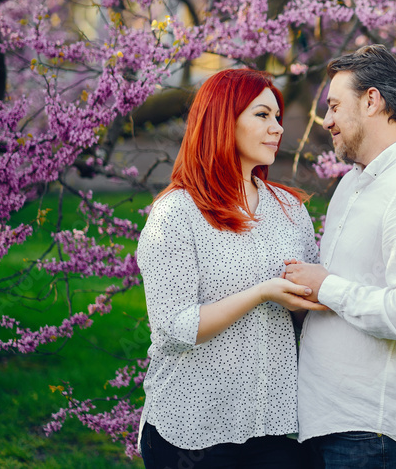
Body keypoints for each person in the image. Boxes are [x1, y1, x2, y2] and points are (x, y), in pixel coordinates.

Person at [284, 45, 396, 469]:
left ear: (371, 100)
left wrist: (326, 285)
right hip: (327, 423)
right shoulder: (353, 183)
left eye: (334, 105)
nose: (325, 120)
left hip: (374, 435)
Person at [136, 68, 324, 469]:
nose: (276, 128)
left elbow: (308, 308)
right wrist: (261, 293)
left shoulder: (290, 209)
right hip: (190, 432)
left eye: (277, 117)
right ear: (223, 120)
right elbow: (176, 328)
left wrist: (305, 297)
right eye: (262, 115)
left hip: (270, 426)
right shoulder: (177, 213)